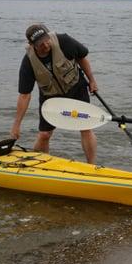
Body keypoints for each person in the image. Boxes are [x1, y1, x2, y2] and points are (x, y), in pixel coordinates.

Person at [10, 24, 98, 164]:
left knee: (85, 128)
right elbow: (24, 95)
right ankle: (41, 165)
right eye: (40, 43)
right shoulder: (28, 62)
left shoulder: (64, 41)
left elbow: (82, 57)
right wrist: (17, 124)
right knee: (44, 134)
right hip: (51, 97)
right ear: (32, 45)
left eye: (46, 39)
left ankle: (92, 165)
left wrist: (92, 80)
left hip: (76, 89)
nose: (45, 45)